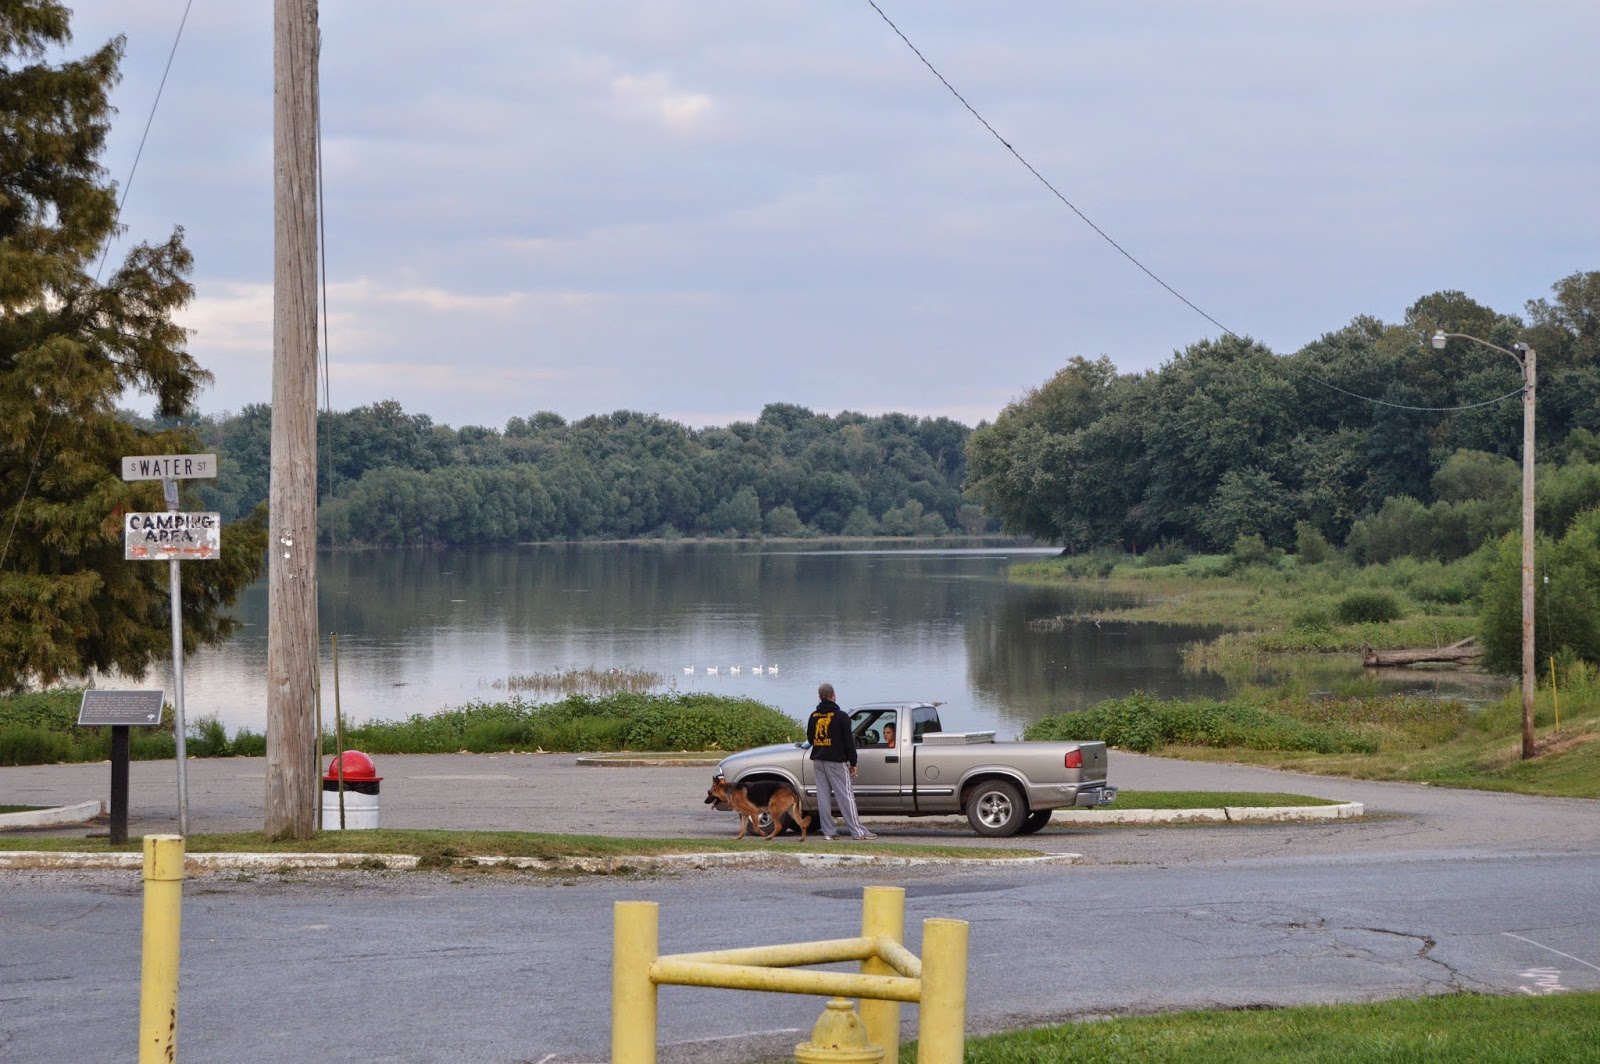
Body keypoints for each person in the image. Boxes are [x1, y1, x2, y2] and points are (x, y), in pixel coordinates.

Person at [806, 682, 876, 840]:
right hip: (836, 762)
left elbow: (811, 738)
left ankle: (828, 832)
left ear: (819, 697)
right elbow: (848, 742)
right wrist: (853, 762)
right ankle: (858, 832)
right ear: (833, 695)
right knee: (846, 796)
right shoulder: (841, 716)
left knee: (823, 797)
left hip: (818, 760)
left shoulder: (814, 716)